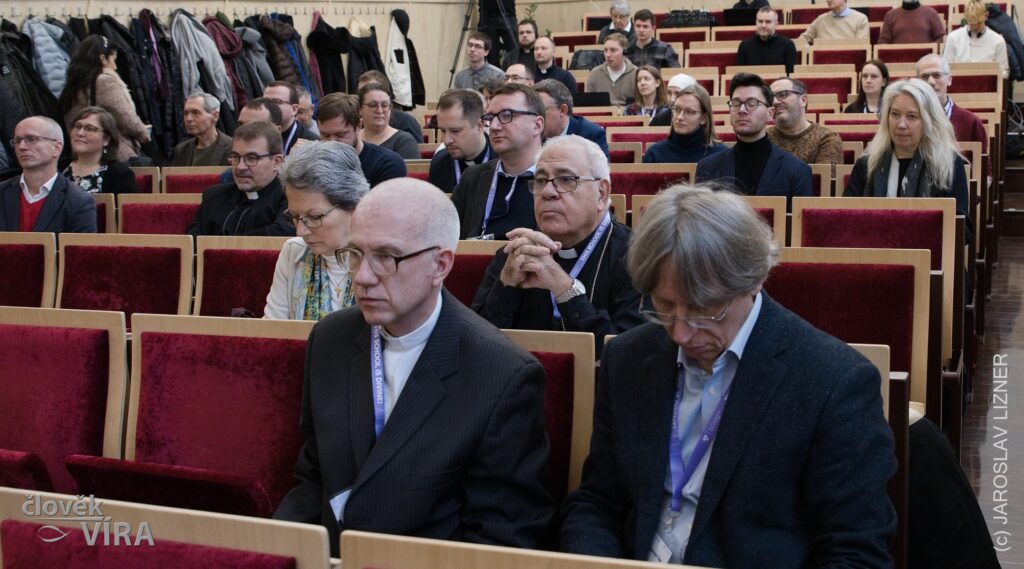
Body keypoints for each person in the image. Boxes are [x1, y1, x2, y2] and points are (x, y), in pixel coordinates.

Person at [560, 184, 897, 567]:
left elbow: (855, 553)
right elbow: (598, 503)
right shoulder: (628, 357)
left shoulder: (833, 382)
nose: (680, 333)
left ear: (754, 280)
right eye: (664, 306)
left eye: (704, 310)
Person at [273, 178, 554, 555]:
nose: (362, 276)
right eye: (355, 254)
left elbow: (499, 537)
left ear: (440, 265)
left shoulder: (502, 375)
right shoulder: (330, 339)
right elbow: (313, 478)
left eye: (387, 257)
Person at [472, 135, 643, 355]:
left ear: (601, 194)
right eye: (541, 180)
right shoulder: (516, 253)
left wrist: (564, 289)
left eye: (566, 180)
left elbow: (628, 358)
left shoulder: (638, 258)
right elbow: (476, 349)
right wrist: (505, 285)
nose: (547, 192)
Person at [843, 78, 972, 241]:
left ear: (929, 121)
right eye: (895, 114)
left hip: (930, 253)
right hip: (873, 251)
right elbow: (846, 220)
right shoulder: (867, 164)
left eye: (912, 116)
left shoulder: (948, 164)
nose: (901, 124)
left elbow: (962, 231)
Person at [264, 141, 370, 320]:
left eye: (315, 217)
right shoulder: (294, 252)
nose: (300, 232)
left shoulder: (385, 260)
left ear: (354, 206)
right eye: (295, 216)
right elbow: (274, 330)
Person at [695, 73, 812, 209]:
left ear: (770, 113)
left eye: (752, 103)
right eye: (736, 103)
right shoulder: (707, 168)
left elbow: (796, 222)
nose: (742, 110)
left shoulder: (796, 171)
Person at [451, 83, 544, 239]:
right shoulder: (473, 177)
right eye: (490, 118)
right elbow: (449, 237)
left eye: (507, 115)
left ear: (537, 125)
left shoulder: (559, 181)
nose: (494, 126)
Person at [187, 121, 295, 237]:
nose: (240, 167)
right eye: (235, 157)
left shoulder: (291, 197)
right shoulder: (213, 196)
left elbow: (281, 235)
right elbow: (193, 242)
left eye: (252, 158)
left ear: (277, 162)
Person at [60, 35, 150, 162]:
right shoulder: (104, 81)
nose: (115, 66)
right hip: (113, 153)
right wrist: (143, 132)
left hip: (82, 155)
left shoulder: (72, 86)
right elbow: (125, 117)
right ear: (102, 59)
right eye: (113, 60)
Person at [0, 116, 96, 233]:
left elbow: (79, 245)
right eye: (17, 141)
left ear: (56, 148)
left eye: (31, 139)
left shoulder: (78, 201)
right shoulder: (2, 192)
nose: (22, 147)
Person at [917, 54, 991, 182]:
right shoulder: (907, 120)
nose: (930, 82)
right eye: (924, 77)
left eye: (937, 75)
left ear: (949, 80)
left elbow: (985, 174)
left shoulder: (970, 121)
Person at [316, 93, 407, 187]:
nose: (332, 142)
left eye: (340, 134)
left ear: (358, 126)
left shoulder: (388, 164)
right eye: (325, 135)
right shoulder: (314, 163)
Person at [61, 106, 139, 194]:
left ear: (106, 139)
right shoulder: (59, 167)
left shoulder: (119, 174)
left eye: (90, 128)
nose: (80, 133)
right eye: (77, 126)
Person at [767, 78, 843, 167]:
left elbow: (824, 175)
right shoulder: (764, 138)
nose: (775, 102)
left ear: (803, 100)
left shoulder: (826, 138)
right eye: (770, 98)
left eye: (783, 94)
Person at [429, 89, 492, 193]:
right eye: (443, 130)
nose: (446, 140)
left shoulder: (504, 160)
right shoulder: (439, 163)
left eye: (455, 131)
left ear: (479, 126)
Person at [644, 84, 726, 164]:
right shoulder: (654, 154)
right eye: (677, 109)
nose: (680, 117)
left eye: (689, 112)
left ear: (704, 118)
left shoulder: (720, 155)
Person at [534, 80, 609, 156]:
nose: (536, 118)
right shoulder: (532, 134)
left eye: (541, 110)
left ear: (563, 110)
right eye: (532, 111)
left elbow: (600, 164)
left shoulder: (591, 135)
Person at [943, 0, 1010, 79]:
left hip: (987, 85)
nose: (975, 27)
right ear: (965, 17)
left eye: (979, 22)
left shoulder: (998, 41)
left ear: (986, 16)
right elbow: (945, 69)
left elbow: (1004, 72)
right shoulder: (953, 38)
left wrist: (990, 75)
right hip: (959, 84)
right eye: (971, 23)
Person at [356, 71, 424, 143]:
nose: (363, 96)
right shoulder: (354, 122)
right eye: (361, 93)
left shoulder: (406, 122)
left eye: (369, 89)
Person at [358, 82, 420, 160]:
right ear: (360, 109)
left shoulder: (404, 141)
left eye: (384, 105)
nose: (380, 110)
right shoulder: (351, 139)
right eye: (373, 105)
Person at [173, 92, 233, 166]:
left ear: (215, 116)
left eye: (195, 113)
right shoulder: (181, 150)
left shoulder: (232, 147)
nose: (188, 118)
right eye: (186, 113)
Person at [736, 6, 798, 73]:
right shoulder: (744, 46)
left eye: (768, 22)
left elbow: (791, 75)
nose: (763, 25)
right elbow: (741, 76)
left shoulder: (788, 45)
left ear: (776, 24)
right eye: (760, 21)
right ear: (756, 22)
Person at [264, 81, 320, 155]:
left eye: (277, 102)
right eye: (265, 102)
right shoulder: (258, 135)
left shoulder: (310, 142)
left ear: (294, 109)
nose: (268, 106)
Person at [585, 34, 637, 107]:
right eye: (605, 50)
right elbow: (587, 104)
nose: (608, 55)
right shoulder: (595, 73)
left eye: (613, 50)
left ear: (625, 51)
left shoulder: (636, 73)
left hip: (628, 113)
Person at [799, 0, 870, 44]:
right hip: (822, 60)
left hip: (850, 60)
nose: (828, 0)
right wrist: (809, 51)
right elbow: (803, 39)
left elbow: (862, 46)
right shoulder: (820, 19)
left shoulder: (860, 19)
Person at [878, 0, 945, 44]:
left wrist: (928, 49)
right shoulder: (890, 15)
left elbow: (941, 38)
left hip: (925, 60)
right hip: (898, 59)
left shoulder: (931, 13)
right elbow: (883, 42)